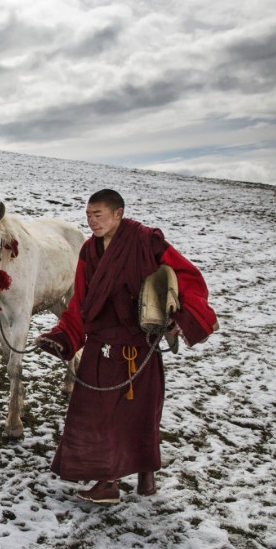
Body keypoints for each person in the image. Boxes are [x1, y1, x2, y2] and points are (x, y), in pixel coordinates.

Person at [34, 189, 217, 504]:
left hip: (137, 344)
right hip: (102, 342)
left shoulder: (146, 242)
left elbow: (188, 277)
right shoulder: (89, 251)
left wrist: (181, 315)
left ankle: (116, 483)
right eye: (89, 215)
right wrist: (65, 334)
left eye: (99, 214)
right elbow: (81, 299)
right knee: (96, 411)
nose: (92, 221)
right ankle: (133, 477)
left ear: (118, 214)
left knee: (139, 413)